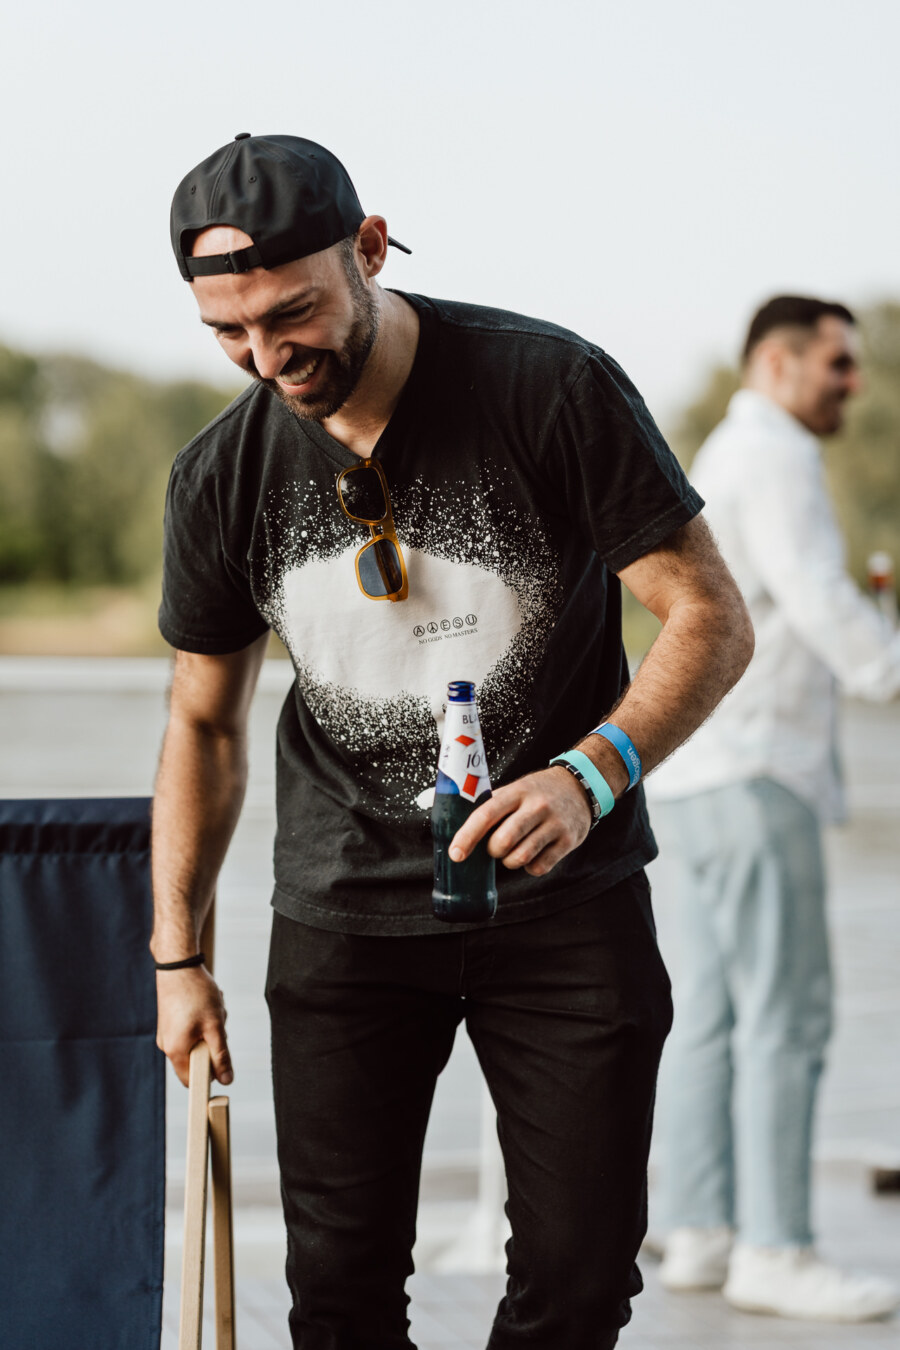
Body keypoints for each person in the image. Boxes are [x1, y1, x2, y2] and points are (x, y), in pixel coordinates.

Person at [151, 132, 753, 1350]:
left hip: (567, 904)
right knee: (339, 1301)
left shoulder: (549, 387)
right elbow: (202, 725)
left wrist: (594, 773)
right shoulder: (222, 475)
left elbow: (709, 617)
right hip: (340, 920)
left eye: (295, 314)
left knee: (582, 1290)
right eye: (232, 334)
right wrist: (179, 959)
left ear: (371, 248)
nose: (270, 360)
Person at [649, 295, 900, 1323]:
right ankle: (780, 1249)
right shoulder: (780, 455)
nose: (853, 381)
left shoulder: (718, 450)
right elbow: (813, 589)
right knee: (789, 1017)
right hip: (760, 773)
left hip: (692, 776)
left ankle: (705, 1236)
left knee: (709, 1016)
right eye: (839, 363)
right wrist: (888, 667)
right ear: (781, 361)